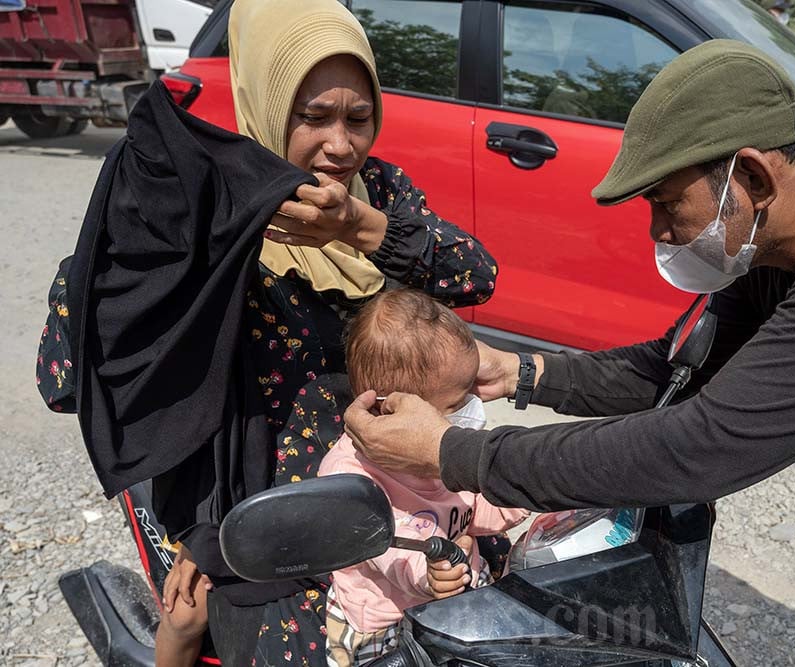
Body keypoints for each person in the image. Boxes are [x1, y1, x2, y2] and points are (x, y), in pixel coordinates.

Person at [343, 39, 795, 665]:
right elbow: (675, 372)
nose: (659, 230)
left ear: (751, 175)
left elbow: (703, 445)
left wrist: (454, 454)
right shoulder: (789, 233)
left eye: (666, 203)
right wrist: (522, 371)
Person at [35, 0, 497, 664]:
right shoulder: (212, 220)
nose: (340, 145)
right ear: (268, 104)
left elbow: (476, 275)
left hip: (407, 507)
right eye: (313, 117)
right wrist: (148, 252)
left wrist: (357, 228)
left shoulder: (382, 194)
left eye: (358, 118)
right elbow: (66, 372)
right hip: (271, 543)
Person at [316, 288, 529, 666]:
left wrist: (519, 491)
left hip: (457, 591)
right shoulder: (350, 476)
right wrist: (428, 574)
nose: (471, 408)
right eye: (455, 403)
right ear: (392, 408)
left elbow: (472, 505)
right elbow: (387, 547)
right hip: (384, 624)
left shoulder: (437, 448)